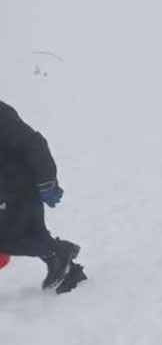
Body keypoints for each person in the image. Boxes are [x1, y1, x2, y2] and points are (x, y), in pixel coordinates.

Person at [0, 100, 86, 293]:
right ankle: (71, 274)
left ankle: (60, 251)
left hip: (19, 188)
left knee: (5, 241)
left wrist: (46, 181)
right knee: (34, 235)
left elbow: (33, 143)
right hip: (13, 188)